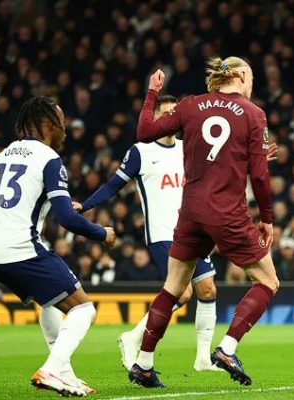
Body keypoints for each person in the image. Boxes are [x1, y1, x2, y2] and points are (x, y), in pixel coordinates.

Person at [128, 57, 279, 388]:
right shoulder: (254, 115)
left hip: (191, 212)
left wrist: (153, 93)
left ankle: (143, 363)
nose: (252, 85)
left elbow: (144, 132)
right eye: (250, 77)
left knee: (172, 287)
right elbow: (259, 175)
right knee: (268, 282)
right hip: (227, 211)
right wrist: (266, 218)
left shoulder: (190, 105)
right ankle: (227, 348)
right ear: (240, 75)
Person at [74, 95, 220, 372]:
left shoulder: (189, 147)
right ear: (154, 118)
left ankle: (202, 358)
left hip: (193, 231)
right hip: (163, 233)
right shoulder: (141, 151)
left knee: (208, 289)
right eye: (163, 114)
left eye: (173, 114)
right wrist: (86, 204)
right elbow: (113, 185)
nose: (169, 119)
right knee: (184, 292)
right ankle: (133, 338)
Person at [0, 96, 116, 396]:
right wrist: (102, 234)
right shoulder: (49, 158)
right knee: (83, 308)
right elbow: (67, 220)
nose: (66, 130)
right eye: (62, 122)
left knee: (49, 301)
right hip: (20, 248)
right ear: (49, 125)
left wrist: (48, 201)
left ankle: (65, 374)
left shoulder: (2, 156)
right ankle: (51, 369)